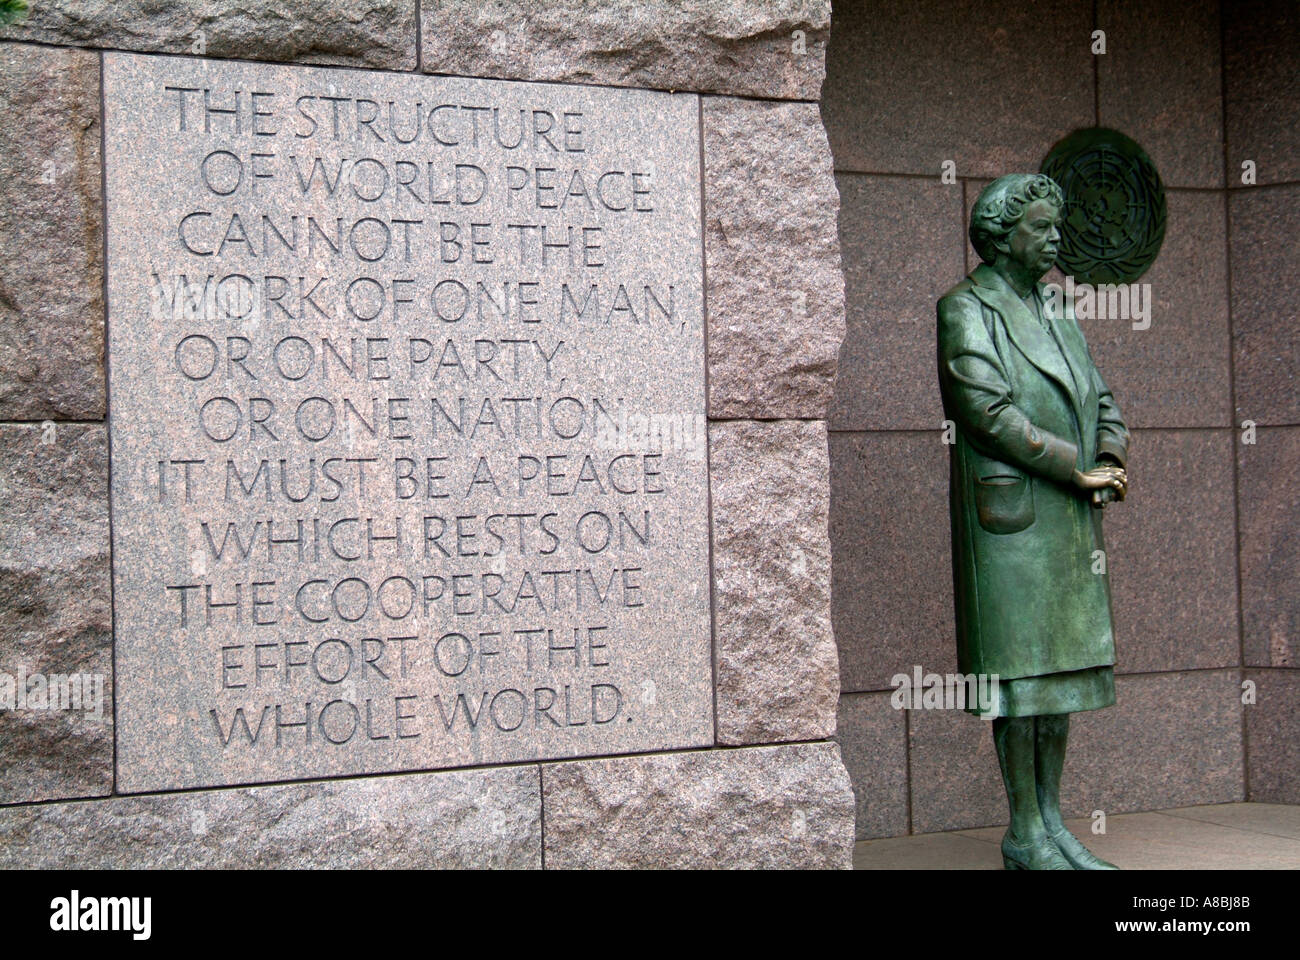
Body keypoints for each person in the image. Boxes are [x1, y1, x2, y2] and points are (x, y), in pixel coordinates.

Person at [936, 173, 1130, 870]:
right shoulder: (965, 307)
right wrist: (1073, 465)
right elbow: (983, 411)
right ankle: (1024, 830)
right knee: (1021, 682)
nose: (1054, 238)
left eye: (1057, 225)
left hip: (1070, 516)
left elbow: (1099, 393)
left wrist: (1109, 454)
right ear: (1002, 235)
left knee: (1059, 679)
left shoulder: (1056, 306)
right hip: (1013, 524)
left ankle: (1052, 823)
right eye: (1042, 227)